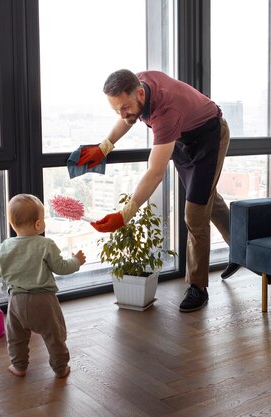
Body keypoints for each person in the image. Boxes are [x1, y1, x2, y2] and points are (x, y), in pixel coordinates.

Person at [77, 69, 236, 312]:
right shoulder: (135, 86)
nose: (122, 114)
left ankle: (197, 287)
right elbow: (127, 117)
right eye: (116, 109)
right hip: (183, 138)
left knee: (194, 211)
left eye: (125, 107)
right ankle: (240, 246)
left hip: (210, 136)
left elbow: (155, 173)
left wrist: (125, 214)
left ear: (140, 94)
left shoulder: (166, 111)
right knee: (206, 202)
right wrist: (105, 146)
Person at [0, 194, 86, 377]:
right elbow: (61, 267)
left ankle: (19, 366)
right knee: (55, 336)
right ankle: (60, 368)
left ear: (13, 224)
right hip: (43, 301)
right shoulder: (45, 244)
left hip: (17, 302)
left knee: (16, 338)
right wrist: (76, 261)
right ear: (38, 224)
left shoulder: (5, 246)